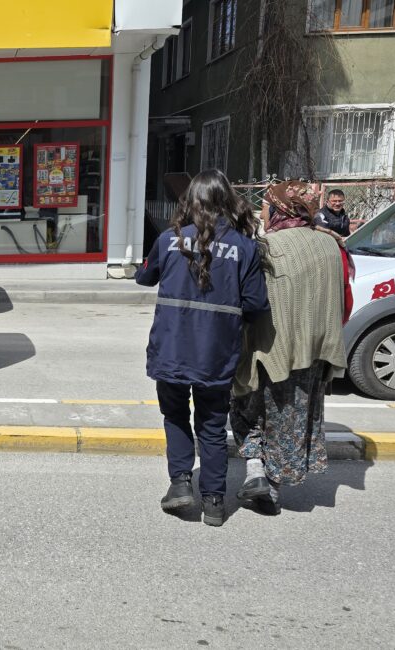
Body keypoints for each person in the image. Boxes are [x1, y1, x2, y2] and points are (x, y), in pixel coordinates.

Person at [135, 169, 270, 527]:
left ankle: (180, 483)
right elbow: (256, 304)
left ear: (190, 202)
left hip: (172, 350)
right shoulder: (244, 247)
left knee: (175, 416)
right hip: (217, 353)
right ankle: (213, 502)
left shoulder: (169, 240)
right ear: (227, 200)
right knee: (211, 427)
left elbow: (144, 277)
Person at [231, 181, 353, 515]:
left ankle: (256, 468)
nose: (263, 212)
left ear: (280, 208)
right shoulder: (333, 245)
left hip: (266, 347)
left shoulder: (264, 247)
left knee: (248, 404)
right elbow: (345, 301)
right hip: (315, 349)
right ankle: (271, 487)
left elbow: (246, 298)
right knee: (292, 416)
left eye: (267, 205)